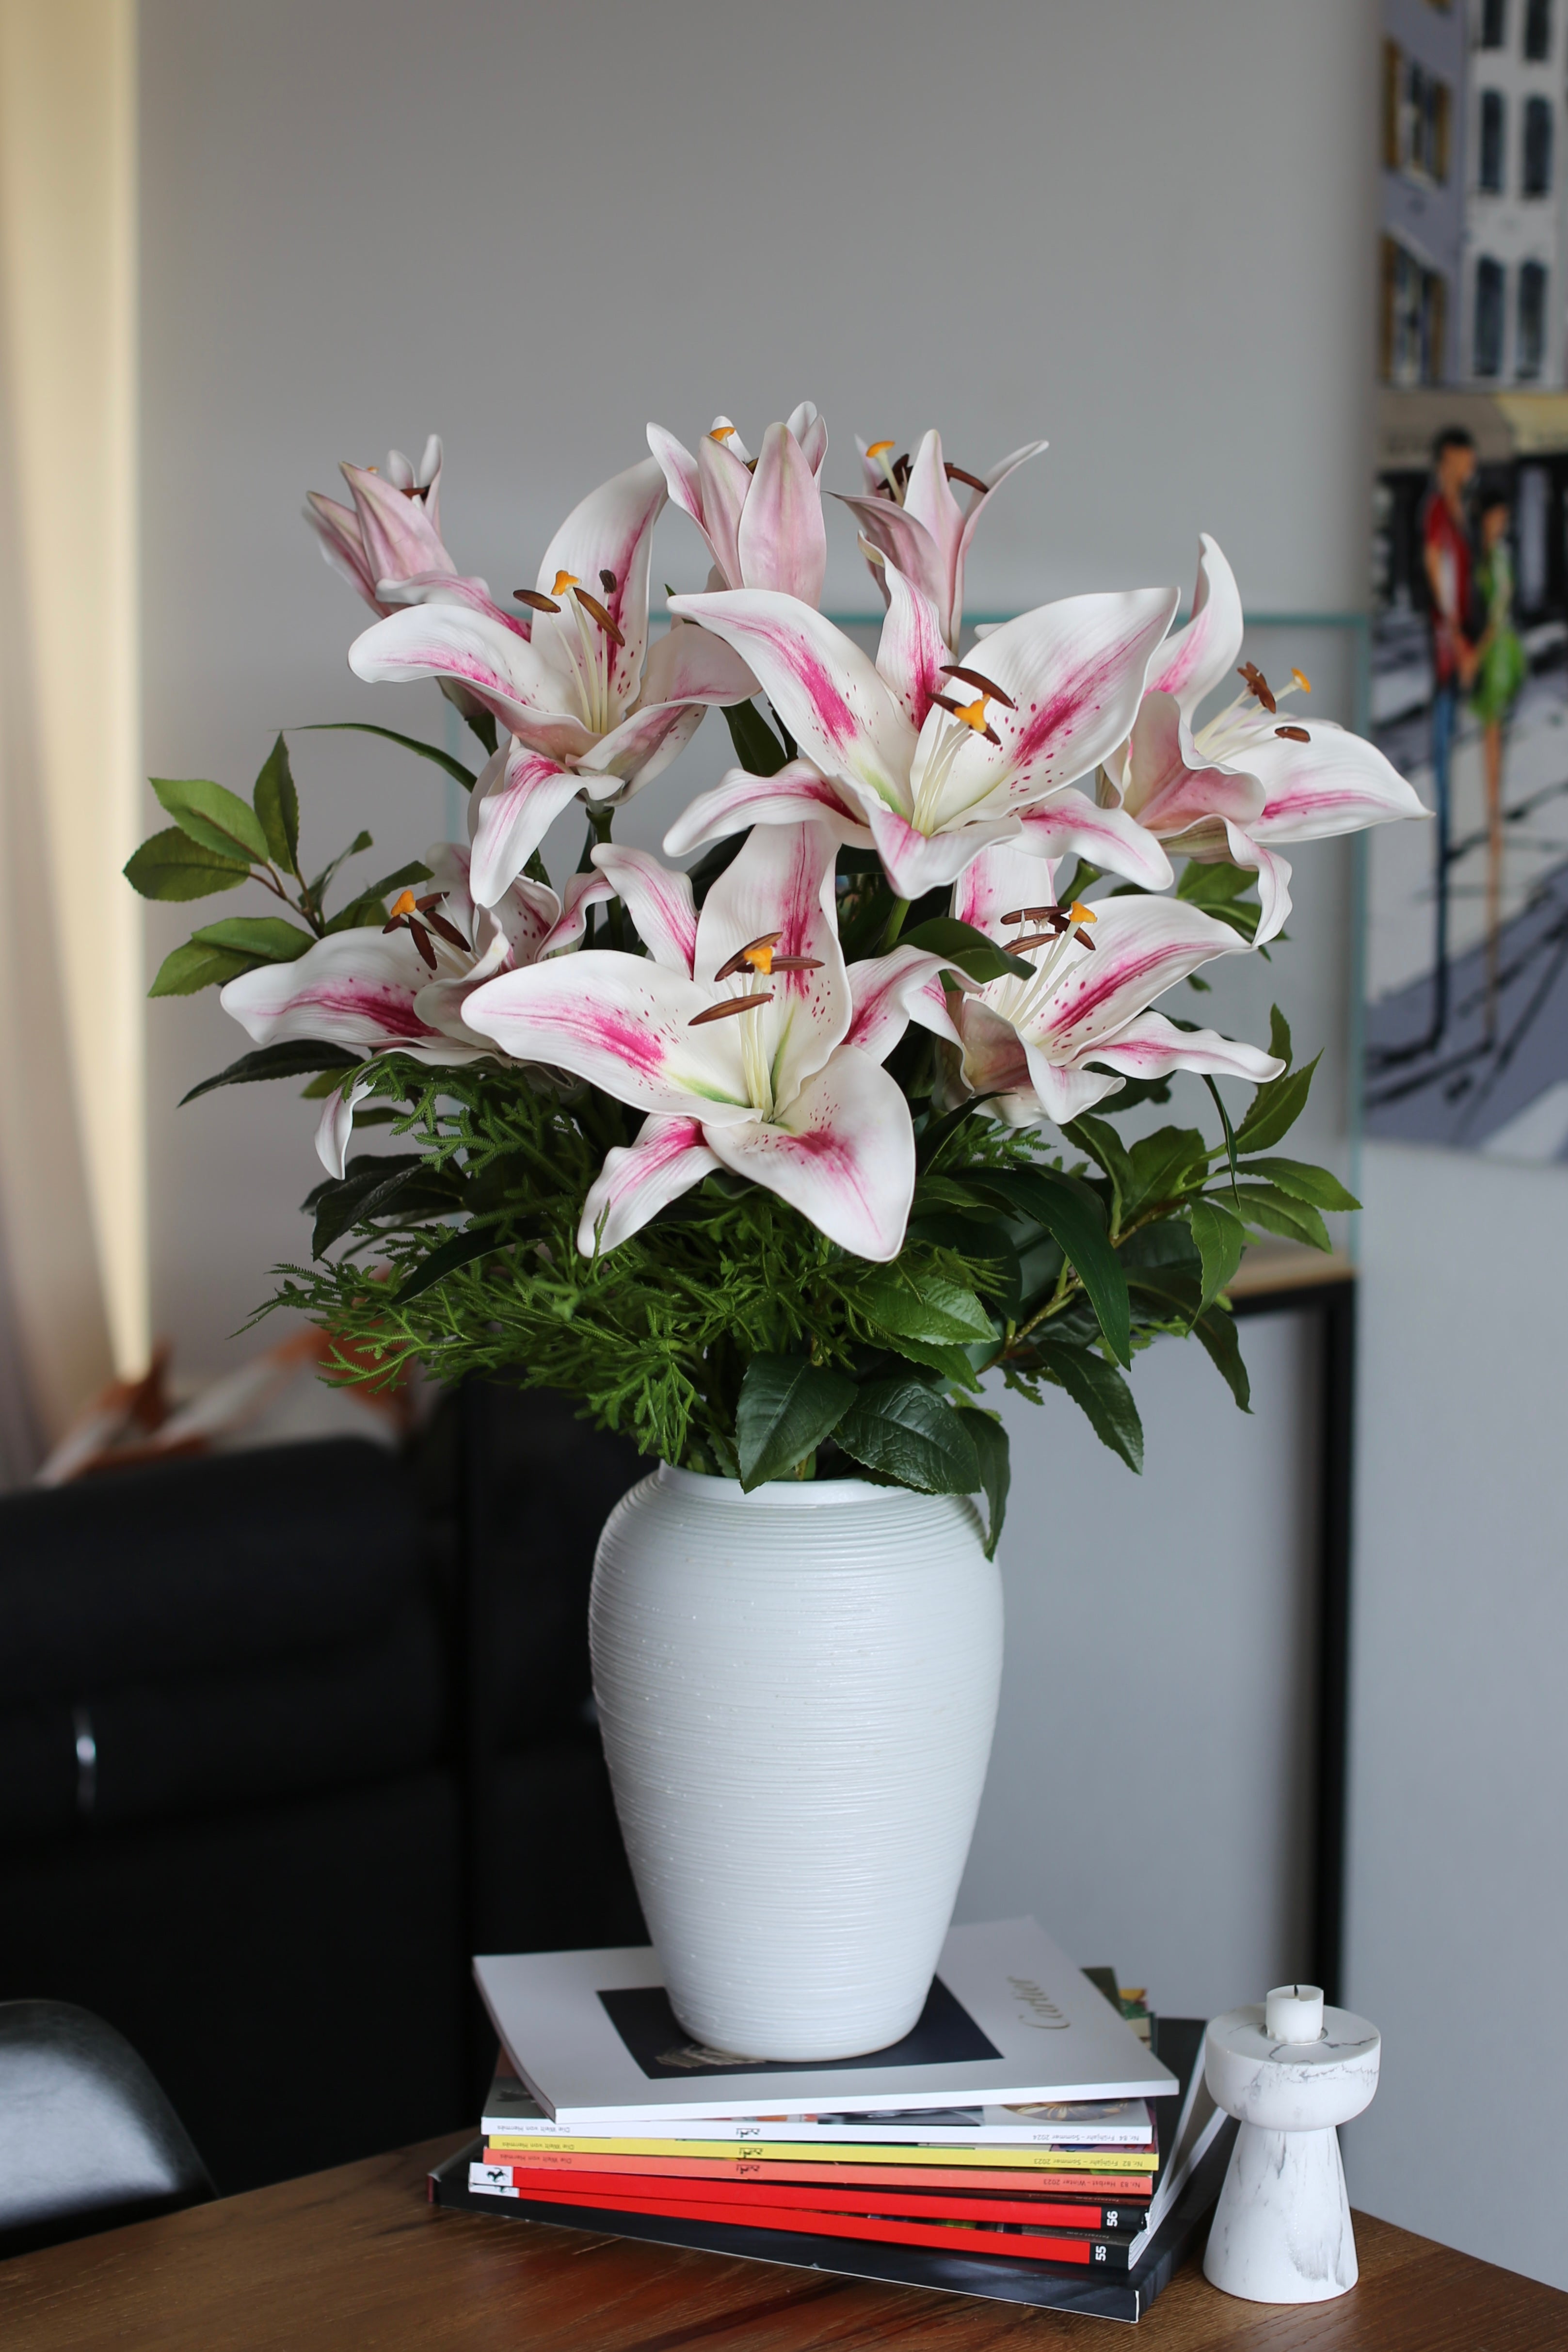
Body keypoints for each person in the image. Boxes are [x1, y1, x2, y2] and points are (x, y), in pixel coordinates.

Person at [1422, 426, 1479, 1042]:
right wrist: (1459, 642)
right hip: (1444, 661)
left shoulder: (1456, 512)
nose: (1469, 468)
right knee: (1442, 788)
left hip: (1452, 660)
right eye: (1462, 460)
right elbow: (1440, 582)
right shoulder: (1440, 513)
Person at [1471, 491, 1526, 1040]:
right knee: (1491, 748)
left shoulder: (1498, 560)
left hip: (1501, 661)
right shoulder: (1483, 563)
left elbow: (1498, 617)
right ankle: (1492, 825)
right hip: (1492, 661)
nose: (1500, 525)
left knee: (1497, 749)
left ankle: (1495, 825)